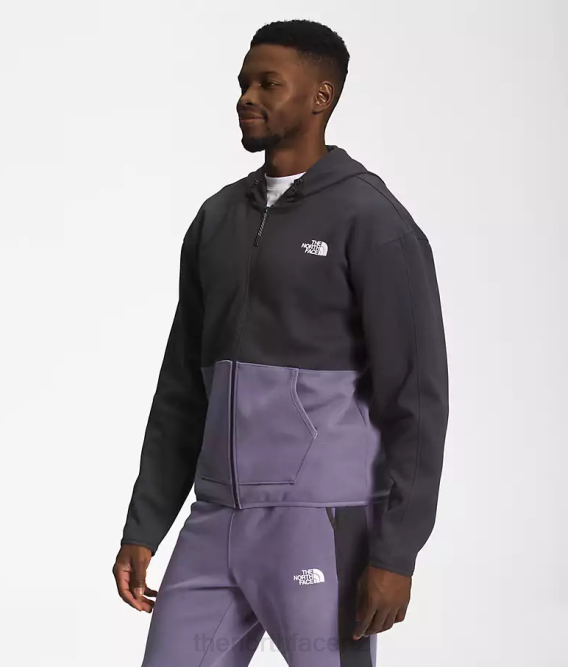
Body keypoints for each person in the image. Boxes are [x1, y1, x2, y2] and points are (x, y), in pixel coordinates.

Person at [113, 18, 449, 667]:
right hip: (214, 519)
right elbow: (183, 386)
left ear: (322, 95)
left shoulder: (373, 222)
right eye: (244, 83)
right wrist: (146, 523)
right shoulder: (217, 218)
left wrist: (396, 551)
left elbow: (416, 398)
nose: (247, 97)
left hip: (320, 522)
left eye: (269, 83)